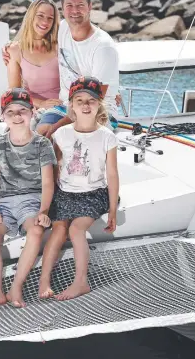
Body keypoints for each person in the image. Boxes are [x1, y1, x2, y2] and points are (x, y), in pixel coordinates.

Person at [0, 88, 56, 311]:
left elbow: (48, 183)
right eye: (10, 112)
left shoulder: (42, 145)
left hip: (32, 200)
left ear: (33, 113)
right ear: (3, 116)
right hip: (3, 201)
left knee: (37, 231)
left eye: (23, 111)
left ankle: (16, 286)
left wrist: (44, 211)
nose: (17, 116)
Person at [4, 0, 121, 139]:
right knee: (40, 135)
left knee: (55, 136)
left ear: (90, 7)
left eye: (80, 5)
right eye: (69, 6)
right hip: (64, 106)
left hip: (98, 112)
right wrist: (9, 46)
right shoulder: (64, 28)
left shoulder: (103, 46)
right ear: (63, 9)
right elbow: (36, 30)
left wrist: (57, 126)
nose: (74, 11)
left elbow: (95, 100)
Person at [38, 76, 119, 301]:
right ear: (71, 105)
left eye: (91, 101)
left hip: (94, 194)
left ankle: (80, 281)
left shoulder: (107, 137)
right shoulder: (61, 134)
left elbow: (112, 174)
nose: (85, 105)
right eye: (79, 100)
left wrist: (112, 209)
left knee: (75, 230)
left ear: (99, 105)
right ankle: (44, 280)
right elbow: (53, 172)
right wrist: (47, 205)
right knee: (59, 231)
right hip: (65, 194)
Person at [6, 0, 62, 113]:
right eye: (40, 15)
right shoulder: (15, 50)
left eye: (50, 18)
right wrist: (41, 103)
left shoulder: (61, 46)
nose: (45, 22)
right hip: (30, 107)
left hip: (59, 108)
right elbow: (14, 92)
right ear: (31, 16)